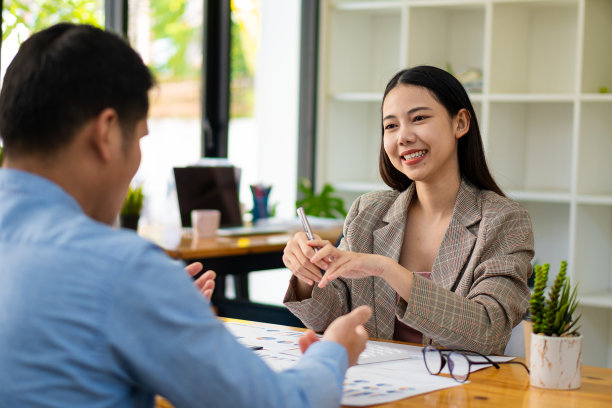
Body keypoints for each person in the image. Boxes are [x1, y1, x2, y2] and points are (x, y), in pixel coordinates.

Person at [0, 23, 372, 407]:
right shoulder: (119, 269)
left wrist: (161, 310)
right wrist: (335, 353)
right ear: (106, 133)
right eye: (141, 138)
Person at [282, 65, 534, 355]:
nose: (403, 136)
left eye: (419, 118)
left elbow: (488, 331)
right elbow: (333, 321)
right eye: (391, 126)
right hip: (379, 386)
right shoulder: (368, 212)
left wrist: (387, 269)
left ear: (460, 123)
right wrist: (307, 273)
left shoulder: (504, 220)